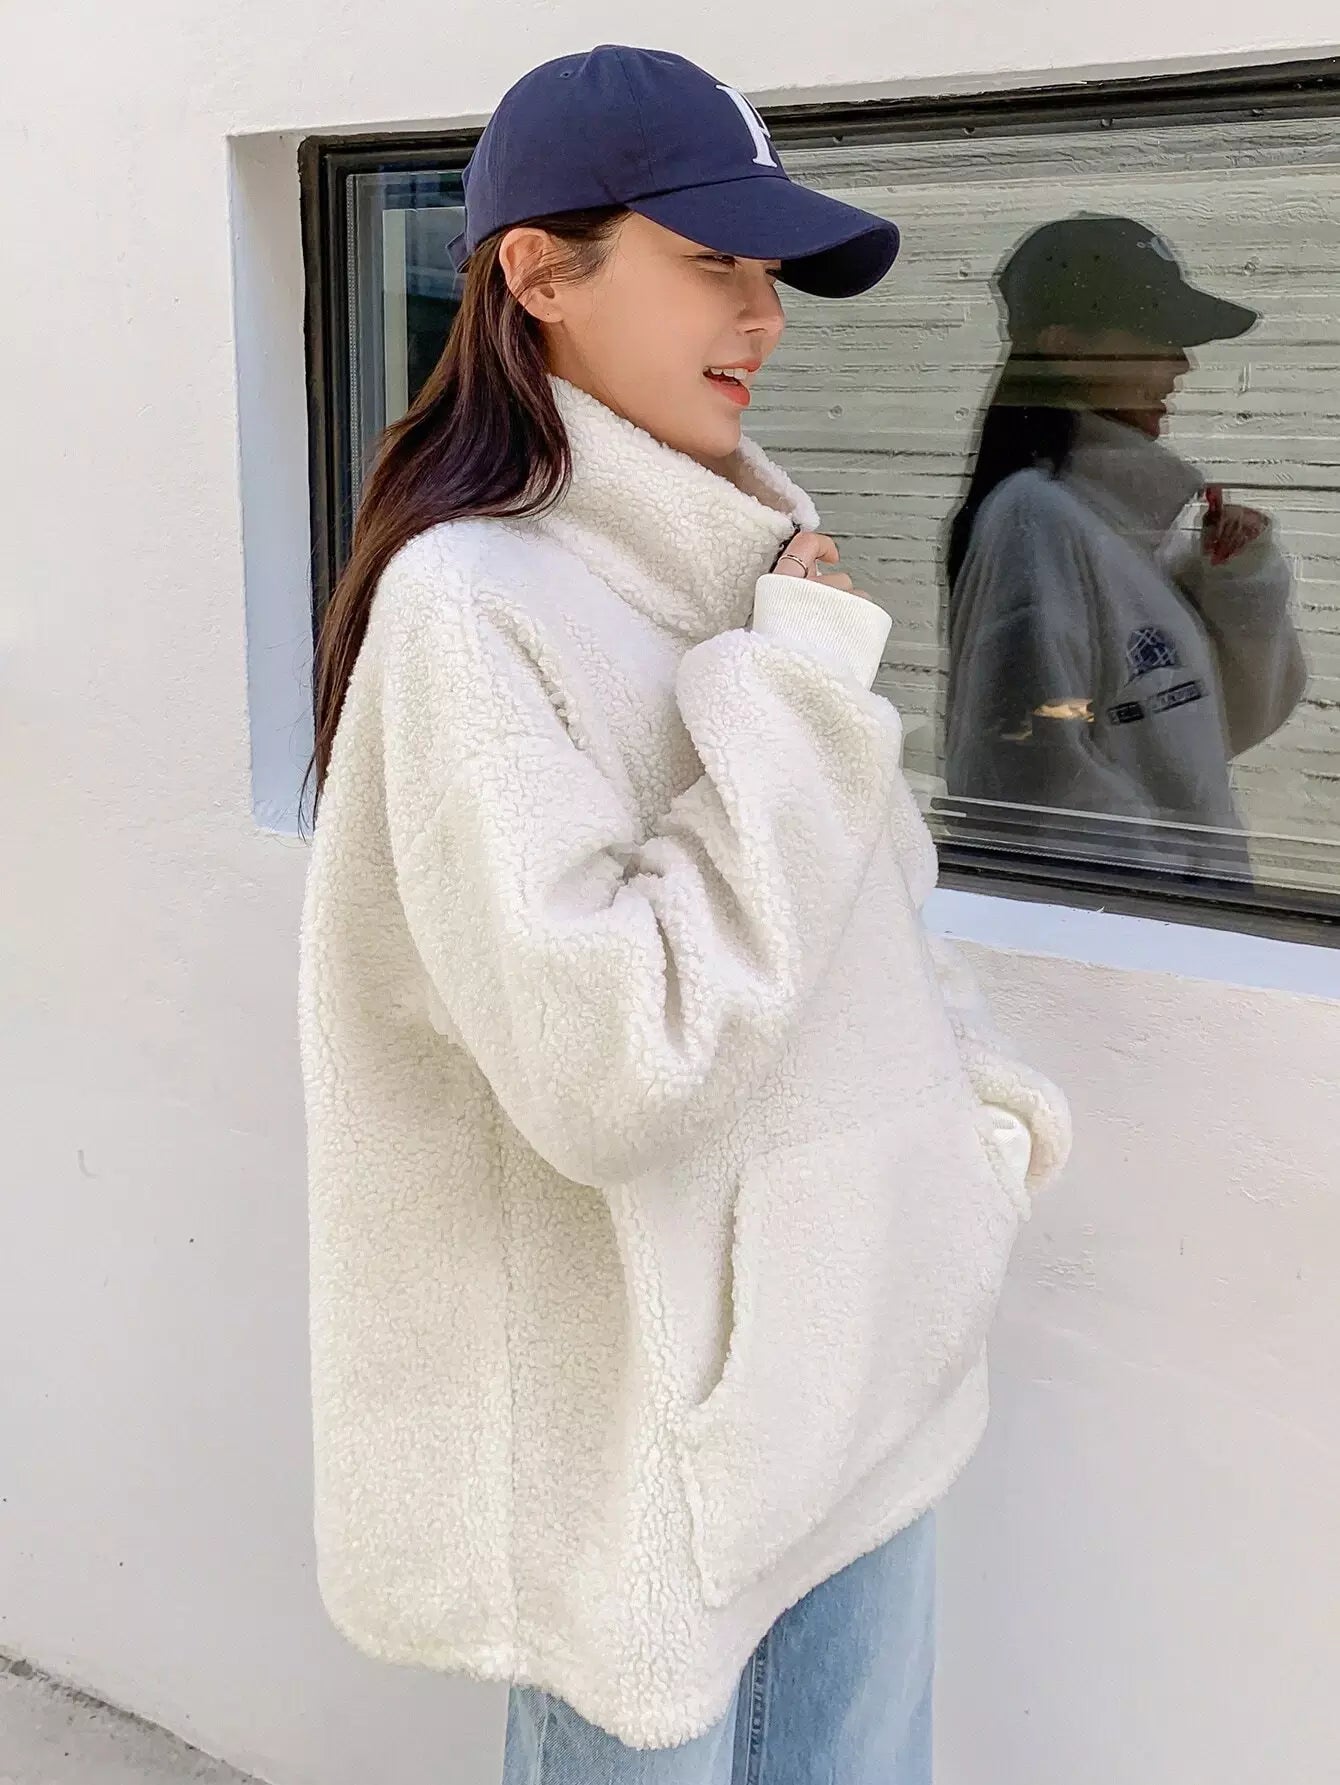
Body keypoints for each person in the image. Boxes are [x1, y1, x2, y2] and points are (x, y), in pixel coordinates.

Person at [299, 45, 1069, 1784]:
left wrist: (968, 1144)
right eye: (711, 259)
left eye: (771, 269)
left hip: (859, 1375)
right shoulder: (473, 607)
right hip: (662, 1455)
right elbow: (611, 1066)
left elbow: (874, 917)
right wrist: (790, 698)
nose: (764, 315)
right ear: (537, 272)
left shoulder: (741, 561)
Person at [943, 214, 1306, 881]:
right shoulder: (1036, 520)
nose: (1182, 364)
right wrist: (1183, 893)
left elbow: (1212, 733)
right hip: (1136, 928)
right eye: (1158, 338)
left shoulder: (1112, 525)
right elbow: (1030, 781)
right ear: (1065, 348)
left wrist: (1233, 584)